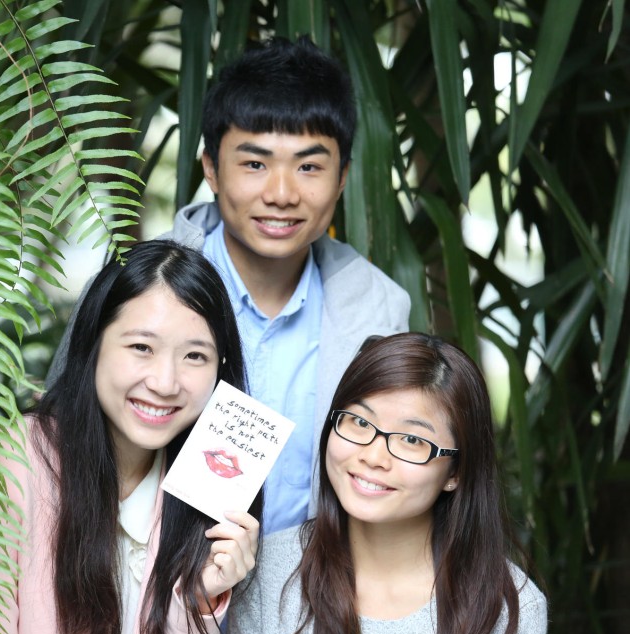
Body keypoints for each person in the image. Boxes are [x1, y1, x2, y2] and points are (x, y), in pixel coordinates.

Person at [51, 36, 410, 537]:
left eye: (309, 166)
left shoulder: (377, 309)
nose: (282, 194)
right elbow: (57, 450)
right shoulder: (128, 286)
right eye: (254, 163)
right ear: (211, 170)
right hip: (136, 591)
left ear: (343, 176)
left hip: (304, 599)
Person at [0, 241, 262, 634]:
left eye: (195, 356)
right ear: (93, 343)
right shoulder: (2, 468)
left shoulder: (208, 494)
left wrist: (196, 602)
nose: (165, 381)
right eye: (141, 347)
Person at [226, 333, 548, 634]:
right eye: (360, 422)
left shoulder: (509, 606)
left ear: (456, 471)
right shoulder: (268, 572)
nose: (374, 456)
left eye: (412, 440)